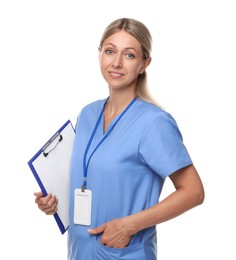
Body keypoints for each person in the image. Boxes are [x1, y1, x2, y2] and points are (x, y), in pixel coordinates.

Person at [34, 17, 205, 260]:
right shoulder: (88, 113)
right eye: (110, 51)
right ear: (100, 54)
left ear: (144, 64)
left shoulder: (153, 123)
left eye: (129, 55)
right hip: (78, 252)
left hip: (125, 254)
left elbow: (193, 192)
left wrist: (129, 226)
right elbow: (88, 177)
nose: (116, 63)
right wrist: (55, 202)